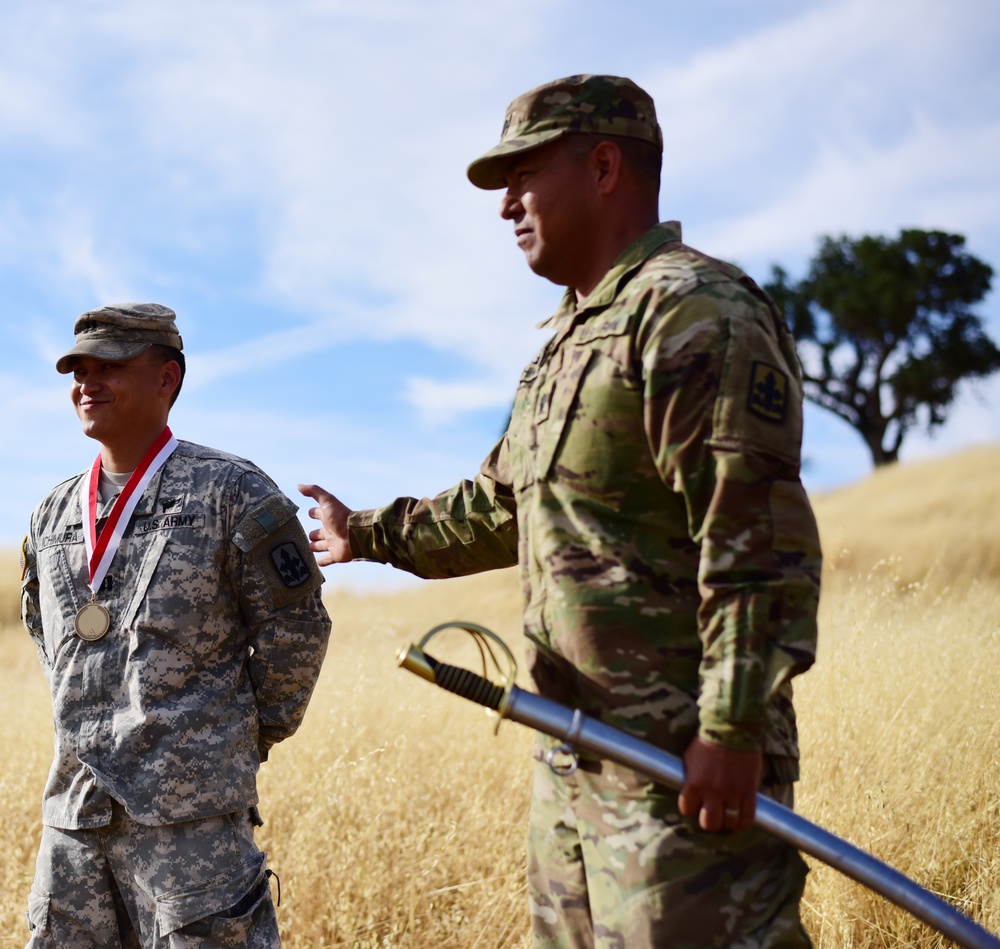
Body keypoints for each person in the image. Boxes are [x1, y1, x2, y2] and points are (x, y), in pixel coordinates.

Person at [300, 74, 821, 947]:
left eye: (524, 175)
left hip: (682, 775)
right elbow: (499, 505)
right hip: (574, 764)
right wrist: (369, 532)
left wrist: (731, 729)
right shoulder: (565, 345)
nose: (506, 205)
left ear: (606, 166)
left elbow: (755, 538)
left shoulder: (695, 311)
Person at [19, 302, 331, 948]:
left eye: (109, 364)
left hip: (193, 831)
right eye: (77, 368)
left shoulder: (232, 492)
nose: (86, 382)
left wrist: (227, 742)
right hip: (75, 822)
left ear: (167, 378)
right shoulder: (52, 514)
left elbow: (295, 629)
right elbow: (47, 636)